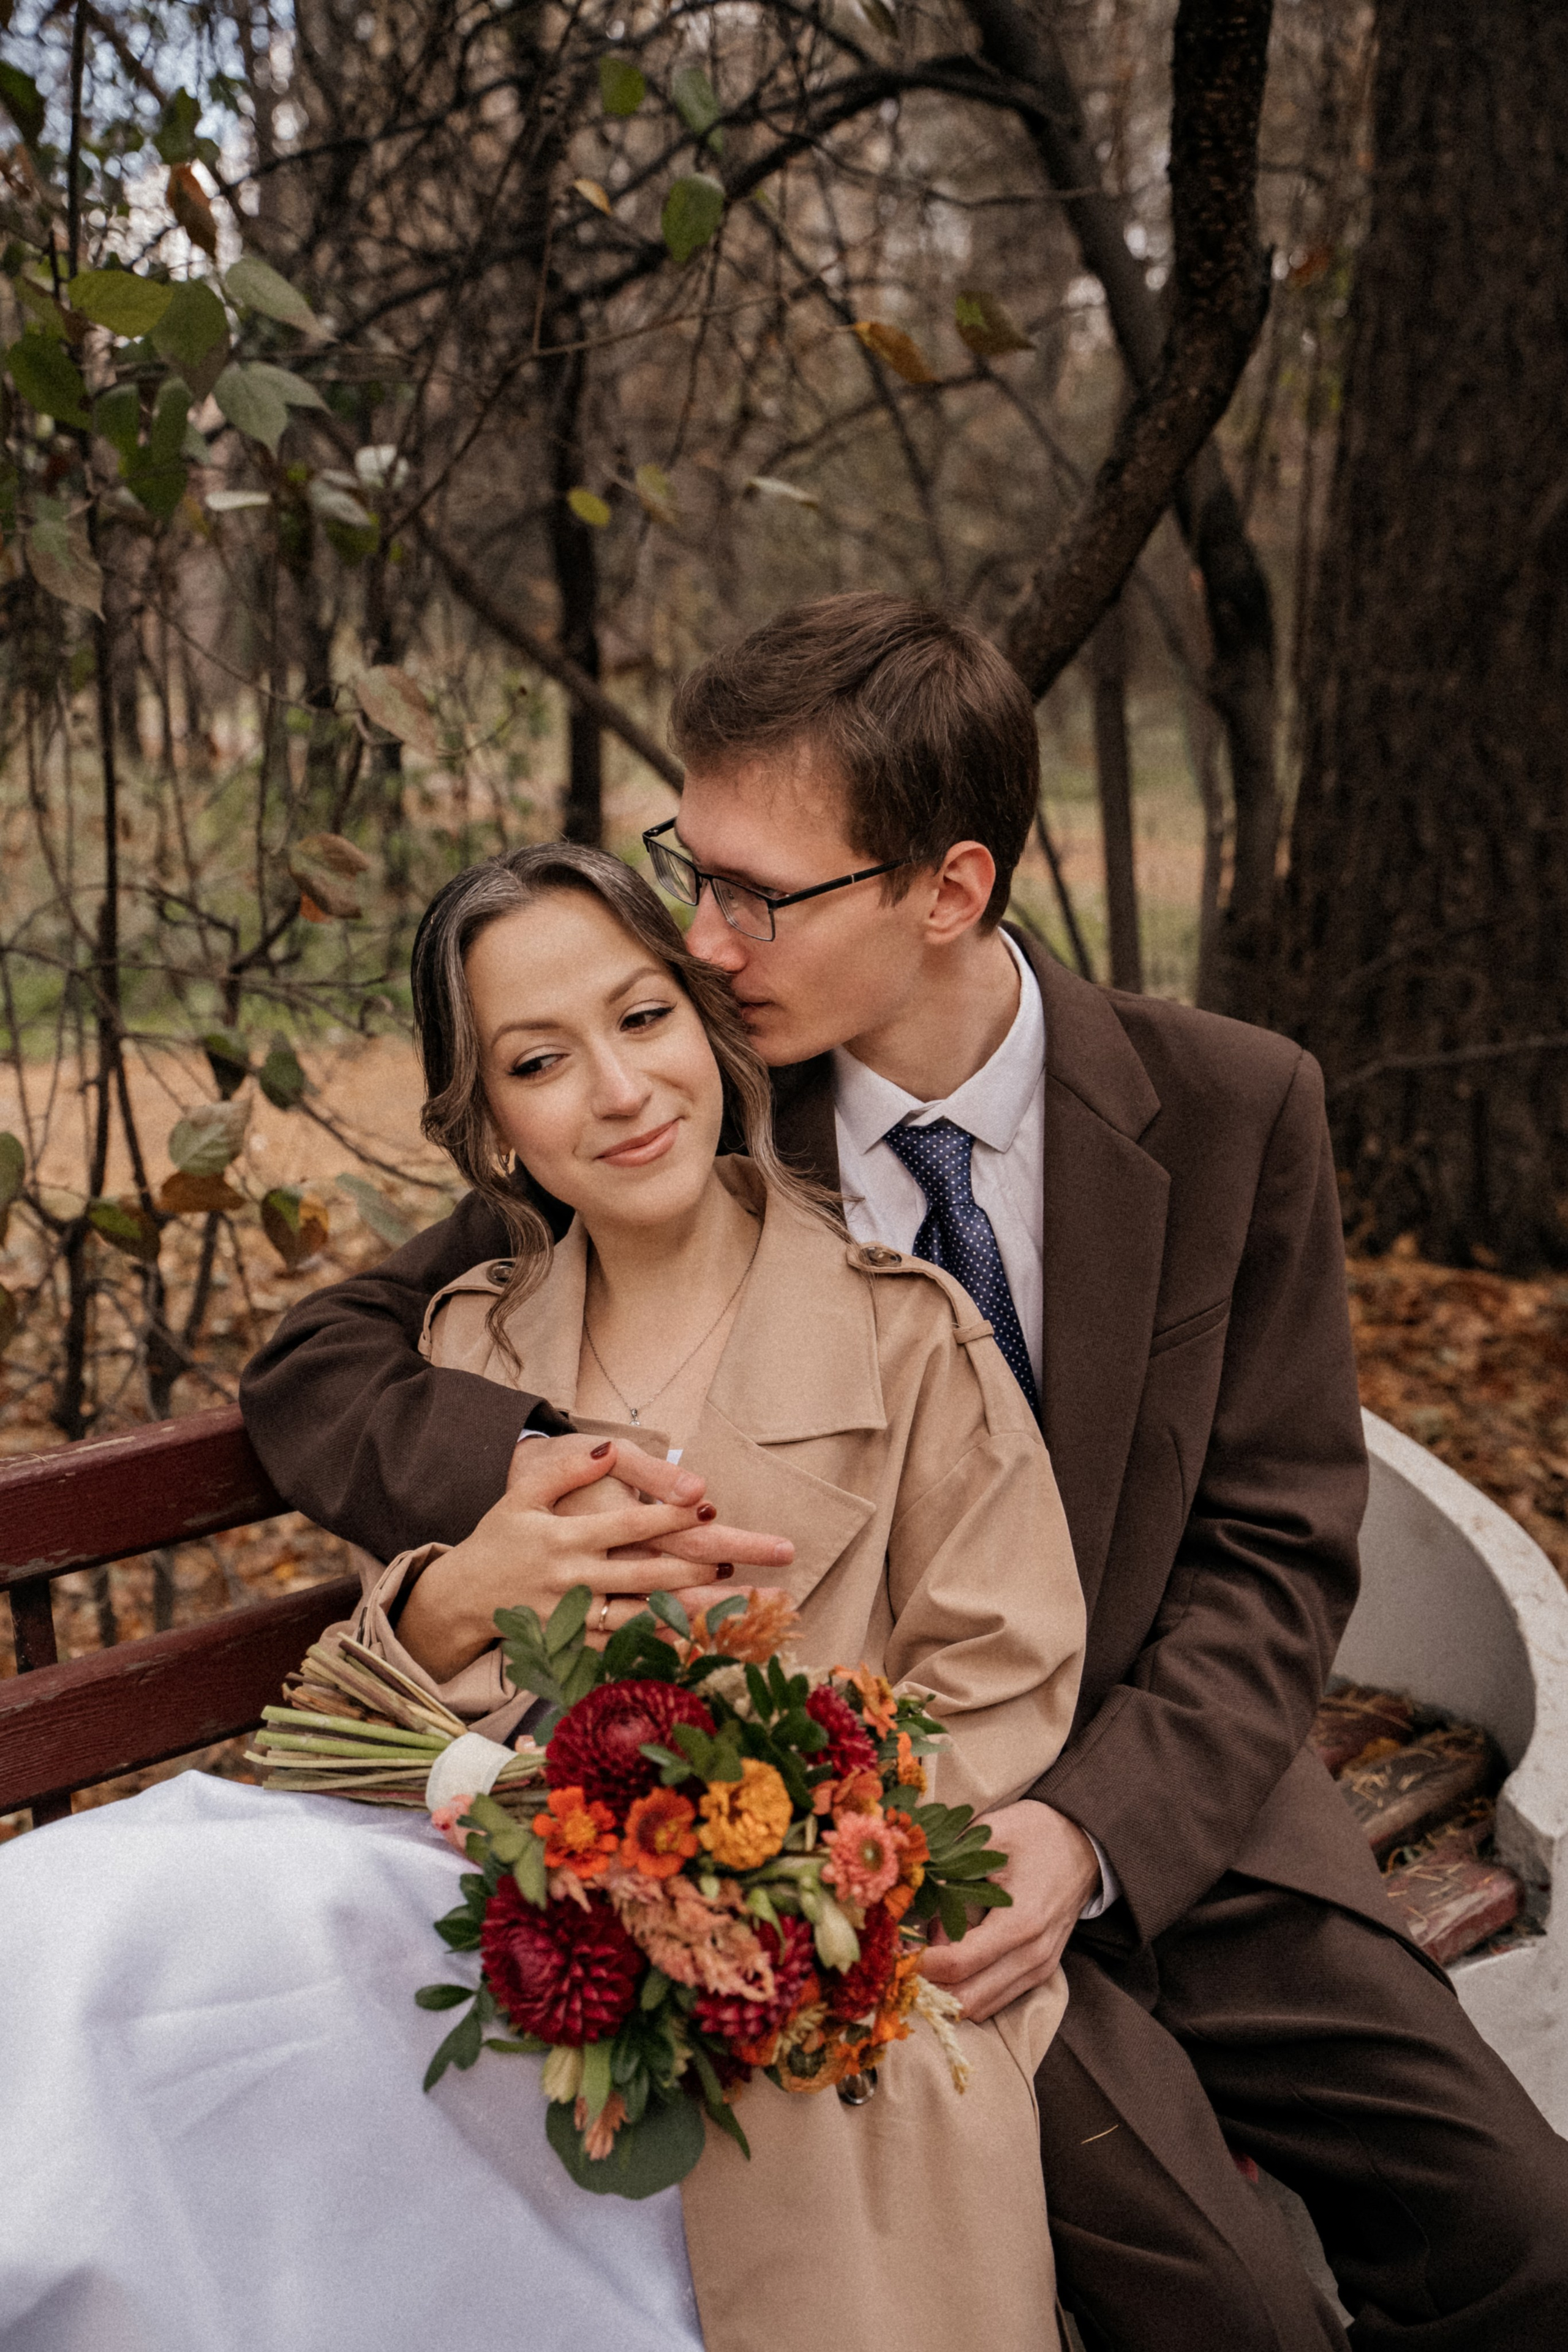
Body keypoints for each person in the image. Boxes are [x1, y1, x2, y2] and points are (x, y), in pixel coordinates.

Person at [243, 592, 1568, 2350]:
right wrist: (571, 1472)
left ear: (948, 890)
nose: (703, 942)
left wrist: (1088, 1832)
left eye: (756, 897)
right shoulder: (692, 1104)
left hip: (1181, 1809)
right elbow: (325, 1365)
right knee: (1222, 2296)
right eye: (689, 870)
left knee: (1519, 2226)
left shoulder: (1232, 1105)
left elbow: (1273, 1550)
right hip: (856, 1847)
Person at [0, 841, 1084, 2352]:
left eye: (643, 1020)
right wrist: (457, 1604)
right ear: (494, 1128)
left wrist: (784, 1861)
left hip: (796, 1937)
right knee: (86, 1933)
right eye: (538, 1059)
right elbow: (385, 1721)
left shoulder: (905, 1336)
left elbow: (1001, 1663)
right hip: (491, 1910)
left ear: (710, 1033)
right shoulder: (474, 1353)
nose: (619, 1090)